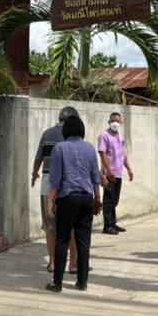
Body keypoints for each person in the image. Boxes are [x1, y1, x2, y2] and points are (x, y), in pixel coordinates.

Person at [46, 114, 101, 292]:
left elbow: (55, 180)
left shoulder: (60, 148)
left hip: (67, 198)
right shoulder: (90, 148)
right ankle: (82, 282)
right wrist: (98, 199)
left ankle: (57, 283)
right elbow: (95, 177)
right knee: (83, 241)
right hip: (86, 197)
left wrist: (50, 201)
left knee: (62, 239)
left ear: (66, 131)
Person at [31, 106, 78, 273]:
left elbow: (38, 158)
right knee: (71, 226)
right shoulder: (74, 136)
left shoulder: (47, 134)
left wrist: (34, 174)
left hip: (48, 183)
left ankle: (52, 262)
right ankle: (73, 264)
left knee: (50, 226)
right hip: (69, 186)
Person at [98, 111, 134, 235]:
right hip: (109, 174)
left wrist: (129, 169)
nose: (115, 123)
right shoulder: (104, 135)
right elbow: (102, 153)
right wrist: (109, 170)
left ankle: (113, 223)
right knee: (108, 199)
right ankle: (107, 226)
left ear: (121, 122)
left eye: (117, 121)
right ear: (109, 122)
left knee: (115, 200)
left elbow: (123, 155)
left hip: (118, 173)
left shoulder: (120, 137)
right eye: (113, 120)